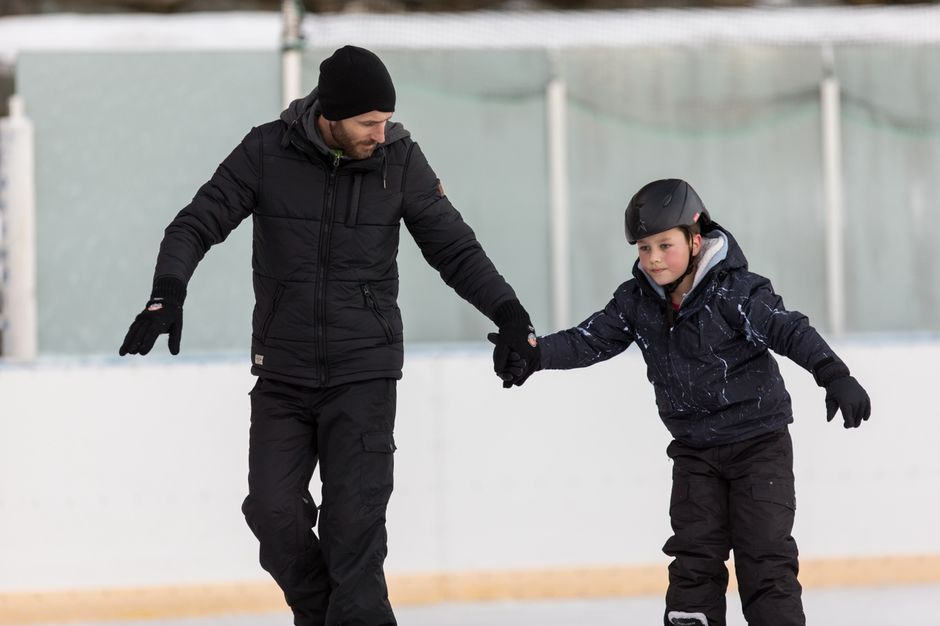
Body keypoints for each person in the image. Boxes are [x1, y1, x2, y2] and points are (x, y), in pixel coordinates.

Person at [119, 45, 538, 626]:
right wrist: (169, 290)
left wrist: (509, 313)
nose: (380, 132)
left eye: (386, 120)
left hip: (362, 373)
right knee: (272, 513)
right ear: (330, 116)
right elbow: (198, 220)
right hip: (282, 373)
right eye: (368, 122)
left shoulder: (400, 160)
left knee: (354, 536)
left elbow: (454, 248)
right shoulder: (266, 151)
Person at [489, 178, 871, 626]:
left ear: (695, 239)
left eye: (664, 245)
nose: (652, 259)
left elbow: (789, 329)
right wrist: (536, 354)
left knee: (765, 561)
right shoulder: (636, 302)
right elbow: (590, 340)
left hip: (759, 446)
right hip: (695, 453)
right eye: (643, 248)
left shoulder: (735, 291)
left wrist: (834, 374)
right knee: (694, 562)